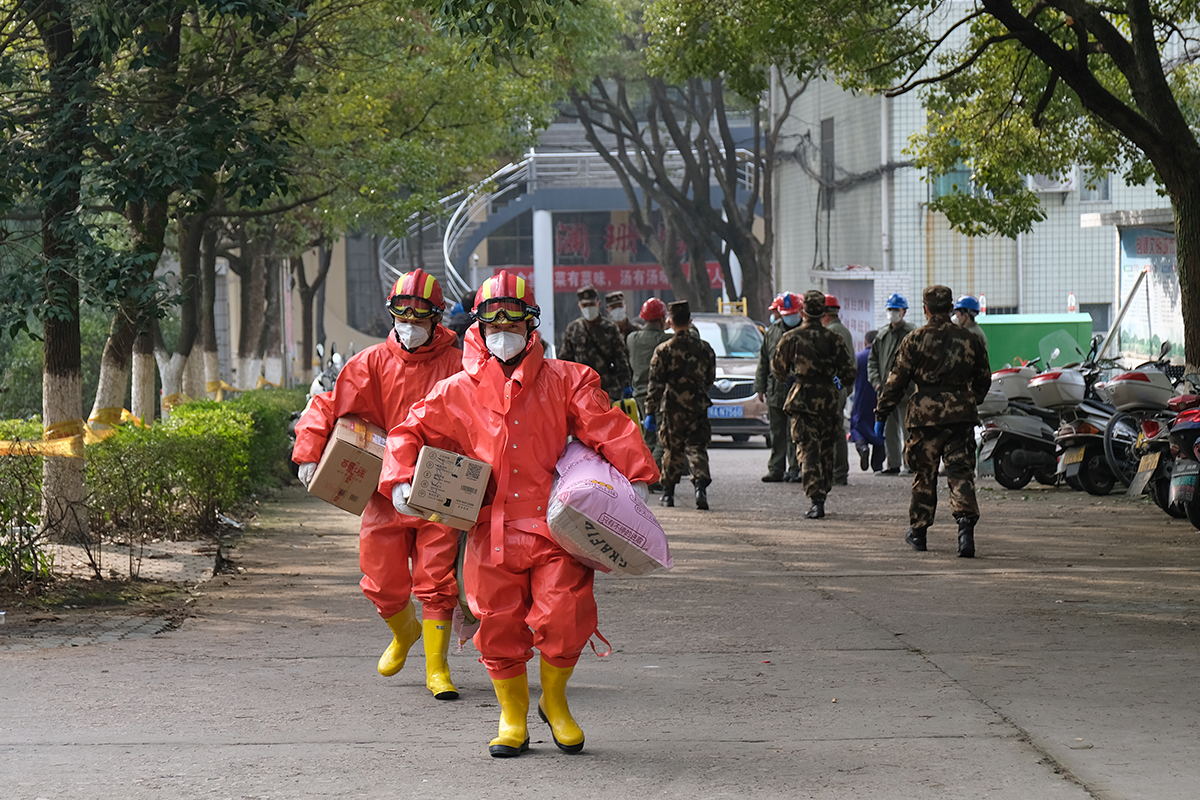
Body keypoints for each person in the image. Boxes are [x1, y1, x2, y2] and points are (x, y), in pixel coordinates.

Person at [379, 271, 658, 758]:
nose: (503, 331)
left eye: (513, 321)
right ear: (480, 327)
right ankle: (512, 718)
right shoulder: (459, 390)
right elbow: (408, 431)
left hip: (555, 529)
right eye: (494, 323)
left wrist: (635, 476)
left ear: (531, 325)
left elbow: (608, 427)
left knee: (565, 616)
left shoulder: (568, 380)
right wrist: (401, 477)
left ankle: (555, 703)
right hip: (490, 533)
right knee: (497, 625)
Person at [292, 269, 464, 699]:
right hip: (384, 493)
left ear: (436, 318)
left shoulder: (458, 365)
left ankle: (438, 669)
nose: (409, 325)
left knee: (436, 581)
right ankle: (405, 633)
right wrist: (309, 450)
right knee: (382, 582)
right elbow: (328, 405)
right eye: (402, 317)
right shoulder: (370, 363)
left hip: (437, 490)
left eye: (418, 317)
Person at [874, 285, 991, 557]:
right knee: (960, 473)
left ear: (925, 309)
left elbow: (896, 382)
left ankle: (919, 533)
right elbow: (984, 377)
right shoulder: (969, 338)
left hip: (924, 418)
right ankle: (965, 532)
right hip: (960, 417)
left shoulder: (914, 339)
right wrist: (968, 400)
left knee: (924, 474)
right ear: (950, 309)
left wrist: (882, 412)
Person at [772, 290, 857, 520]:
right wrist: (836, 381)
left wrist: (792, 377)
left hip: (802, 399)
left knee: (807, 448)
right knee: (827, 448)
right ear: (823, 312)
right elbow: (850, 371)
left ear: (803, 311)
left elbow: (777, 368)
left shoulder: (791, 338)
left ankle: (815, 498)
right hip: (828, 399)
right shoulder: (834, 338)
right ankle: (824, 490)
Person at [645, 300, 717, 510]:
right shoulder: (704, 348)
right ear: (690, 320)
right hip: (697, 405)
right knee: (697, 446)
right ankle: (700, 488)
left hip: (672, 407)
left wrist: (650, 410)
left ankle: (668, 494)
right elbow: (710, 378)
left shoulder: (664, 350)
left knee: (672, 449)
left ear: (670, 321)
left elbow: (656, 384)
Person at [754, 292, 802, 482]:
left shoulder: (805, 331)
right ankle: (776, 468)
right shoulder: (772, 332)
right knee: (777, 432)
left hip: (798, 391)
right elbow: (764, 361)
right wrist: (760, 386)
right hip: (776, 390)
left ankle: (795, 468)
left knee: (795, 433)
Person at [867, 293, 916, 474]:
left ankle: (910, 464)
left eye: (896, 309)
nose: (892, 313)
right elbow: (873, 361)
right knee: (889, 429)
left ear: (904, 312)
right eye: (890, 309)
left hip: (905, 392)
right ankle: (893, 464)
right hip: (885, 390)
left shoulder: (912, 334)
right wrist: (876, 381)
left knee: (908, 429)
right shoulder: (882, 335)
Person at [558, 285, 634, 401]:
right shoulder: (573, 329)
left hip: (608, 389)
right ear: (579, 307)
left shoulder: (610, 328)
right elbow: (565, 361)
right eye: (585, 305)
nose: (588, 308)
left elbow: (620, 359)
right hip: (581, 388)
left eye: (591, 304)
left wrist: (626, 384)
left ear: (598, 304)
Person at [627, 297, 673, 481]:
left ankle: (646, 473)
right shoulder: (665, 339)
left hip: (639, 395)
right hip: (659, 395)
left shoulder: (632, 339)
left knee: (647, 438)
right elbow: (689, 334)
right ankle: (651, 475)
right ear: (662, 319)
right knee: (663, 437)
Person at [823, 294, 855, 485]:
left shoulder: (831, 332)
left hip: (833, 386)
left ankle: (838, 472)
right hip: (841, 385)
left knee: (834, 430)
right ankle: (838, 471)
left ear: (826, 315)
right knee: (837, 428)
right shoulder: (843, 330)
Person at [849, 330, 886, 473]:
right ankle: (877, 465)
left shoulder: (859, 357)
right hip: (880, 398)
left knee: (857, 426)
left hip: (861, 399)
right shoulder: (882, 358)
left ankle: (862, 446)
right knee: (879, 429)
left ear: (866, 342)